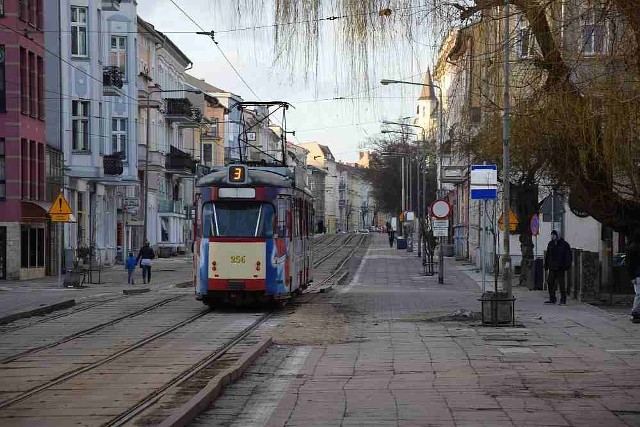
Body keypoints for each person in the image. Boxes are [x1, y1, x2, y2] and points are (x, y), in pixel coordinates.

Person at [544, 230, 572, 305]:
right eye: (552, 235)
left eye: (554, 234)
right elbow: (548, 255)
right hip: (552, 267)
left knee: (561, 284)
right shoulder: (550, 244)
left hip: (560, 267)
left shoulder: (564, 244)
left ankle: (563, 299)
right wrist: (546, 265)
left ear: (558, 235)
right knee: (550, 282)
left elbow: (568, 256)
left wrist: (566, 265)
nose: (552, 236)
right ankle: (552, 298)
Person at [626, 229, 640, 322]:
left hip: (637, 274)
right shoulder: (634, 249)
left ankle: (635, 312)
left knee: (638, 294)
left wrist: (631, 276)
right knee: (639, 294)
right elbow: (631, 264)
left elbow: (630, 264)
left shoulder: (631, 248)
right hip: (638, 274)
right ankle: (635, 312)